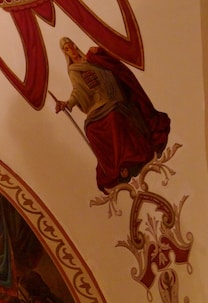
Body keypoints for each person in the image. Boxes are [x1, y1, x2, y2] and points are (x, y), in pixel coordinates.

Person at [54, 37, 170, 192]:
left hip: (112, 98)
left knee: (113, 117)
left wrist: (101, 53)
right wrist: (67, 103)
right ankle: (118, 166)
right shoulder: (74, 70)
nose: (71, 50)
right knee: (91, 128)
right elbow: (78, 91)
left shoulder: (92, 58)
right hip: (97, 104)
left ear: (75, 45)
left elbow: (112, 66)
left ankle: (129, 157)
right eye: (67, 49)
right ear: (65, 53)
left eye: (71, 46)